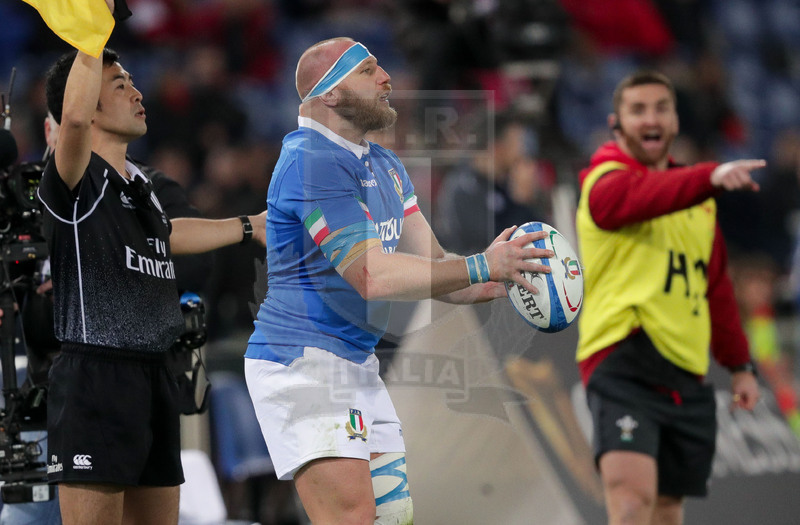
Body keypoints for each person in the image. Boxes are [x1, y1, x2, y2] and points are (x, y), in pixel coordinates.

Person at [244, 37, 553, 525]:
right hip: (303, 363)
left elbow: (433, 262)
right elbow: (370, 275)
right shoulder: (311, 160)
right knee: (352, 517)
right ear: (329, 95)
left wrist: (495, 278)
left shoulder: (383, 164)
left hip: (356, 363)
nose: (387, 78)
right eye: (368, 70)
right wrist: (480, 266)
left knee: (394, 516)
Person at [36, 11, 266, 524]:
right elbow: (70, 119)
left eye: (134, 82)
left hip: (155, 376)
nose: (138, 93)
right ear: (90, 107)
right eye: (121, 85)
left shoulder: (140, 184)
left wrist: (250, 225)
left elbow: (169, 235)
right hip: (97, 375)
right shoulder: (74, 179)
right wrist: (93, 37)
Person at [575, 70, 762, 525]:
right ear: (616, 123)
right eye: (637, 110)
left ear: (676, 120)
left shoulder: (699, 198)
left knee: (666, 510)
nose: (650, 118)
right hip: (624, 358)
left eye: (660, 107)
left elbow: (715, 285)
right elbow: (640, 197)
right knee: (632, 499)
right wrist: (712, 174)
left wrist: (739, 366)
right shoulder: (604, 180)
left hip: (686, 367)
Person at [435, 112, 548, 255]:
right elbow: (491, 249)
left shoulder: (504, 183)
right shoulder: (463, 189)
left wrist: (528, 201)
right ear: (497, 147)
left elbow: (542, 236)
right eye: (517, 143)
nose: (521, 152)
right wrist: (521, 202)